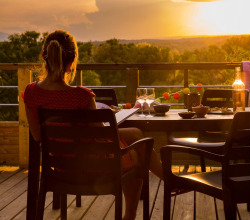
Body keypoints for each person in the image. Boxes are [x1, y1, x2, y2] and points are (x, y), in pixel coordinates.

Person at [23, 30, 163, 220]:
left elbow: (38, 136)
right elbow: (102, 137)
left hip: (61, 168)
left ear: (44, 56)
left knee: (136, 134)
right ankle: (134, 211)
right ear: (72, 62)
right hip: (94, 166)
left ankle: (169, 181)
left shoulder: (31, 92)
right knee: (139, 151)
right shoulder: (82, 96)